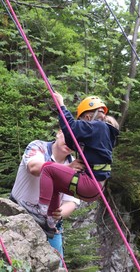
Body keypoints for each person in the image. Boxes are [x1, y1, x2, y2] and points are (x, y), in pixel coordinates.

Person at [21, 92, 119, 230]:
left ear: (89, 117)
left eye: (84, 121)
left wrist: (61, 105)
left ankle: (41, 211)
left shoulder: (99, 126)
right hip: (95, 188)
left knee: (48, 168)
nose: (83, 125)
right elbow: (72, 138)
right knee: (54, 181)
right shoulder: (102, 134)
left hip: (89, 184)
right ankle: (50, 221)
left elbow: (72, 128)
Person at [10, 130, 85, 260]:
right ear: (59, 133)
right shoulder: (38, 147)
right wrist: (67, 169)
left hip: (48, 224)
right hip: (17, 212)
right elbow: (34, 167)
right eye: (68, 136)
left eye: (75, 141)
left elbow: (71, 201)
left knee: (56, 264)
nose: (70, 142)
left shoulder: (75, 166)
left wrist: (60, 212)